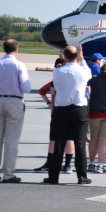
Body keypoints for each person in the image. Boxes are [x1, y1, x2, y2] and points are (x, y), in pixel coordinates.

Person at [44, 45, 92, 185]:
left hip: (62, 109)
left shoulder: (57, 72)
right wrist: (81, 56)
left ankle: (53, 176)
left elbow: (56, 88)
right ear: (76, 56)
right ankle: (82, 176)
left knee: (59, 142)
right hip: (79, 109)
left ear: (64, 57)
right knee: (80, 143)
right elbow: (87, 72)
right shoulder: (83, 71)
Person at [0, 39, 31, 183]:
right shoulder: (19, 65)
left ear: (4, 49)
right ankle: (8, 173)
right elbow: (26, 87)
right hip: (14, 101)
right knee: (11, 140)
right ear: (16, 49)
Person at [33, 65, 76, 174]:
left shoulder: (54, 82)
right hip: (72, 111)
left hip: (57, 112)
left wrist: (48, 102)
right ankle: (67, 166)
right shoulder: (73, 82)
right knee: (69, 139)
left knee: (54, 139)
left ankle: (49, 163)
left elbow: (42, 91)